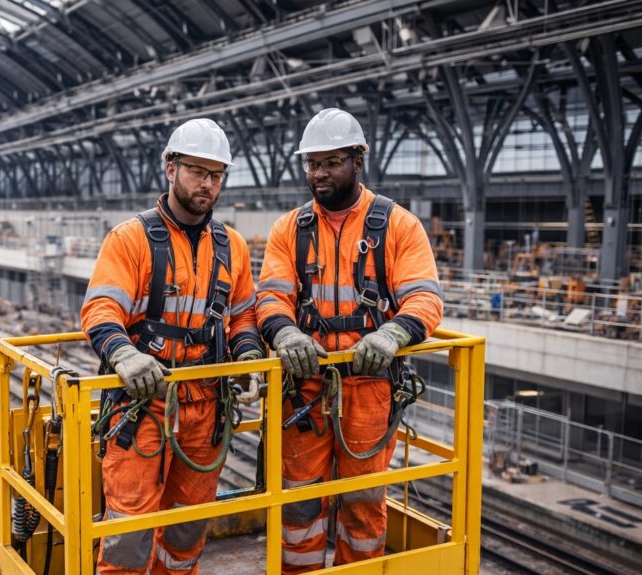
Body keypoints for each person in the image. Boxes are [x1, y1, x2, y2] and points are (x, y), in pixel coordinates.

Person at [255, 108, 443, 573]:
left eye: (331, 162)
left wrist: (394, 333)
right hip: (305, 386)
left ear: (358, 161)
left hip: (370, 387)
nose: (318, 173)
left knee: (362, 501)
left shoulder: (397, 226)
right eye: (311, 164)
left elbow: (425, 298)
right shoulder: (289, 230)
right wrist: (285, 332)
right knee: (299, 501)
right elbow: (271, 298)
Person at [81, 118, 265, 574]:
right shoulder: (131, 239)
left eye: (216, 175)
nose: (207, 184)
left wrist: (247, 355)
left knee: (187, 526)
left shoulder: (232, 247)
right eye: (197, 171)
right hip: (142, 406)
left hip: (206, 406)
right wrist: (125, 354)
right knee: (128, 530)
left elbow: (242, 314)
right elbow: (101, 308)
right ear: (170, 167)